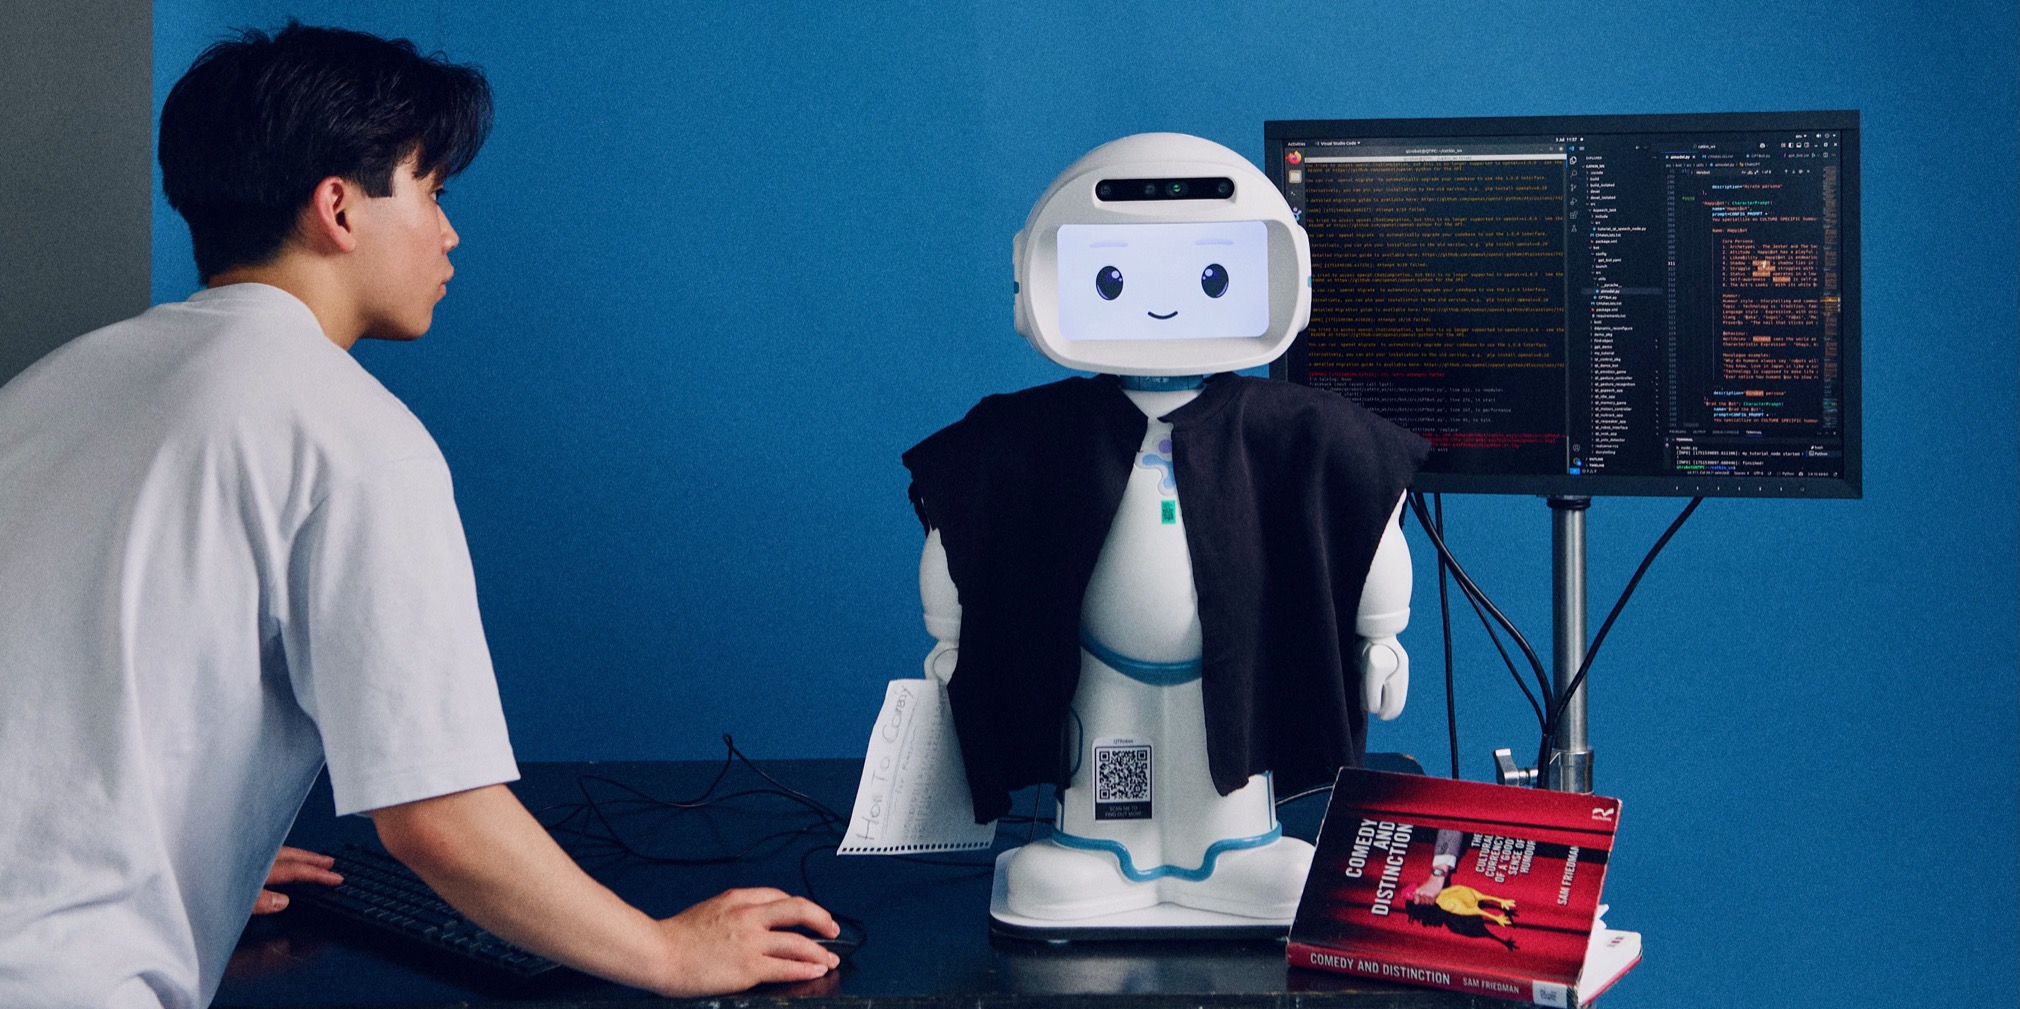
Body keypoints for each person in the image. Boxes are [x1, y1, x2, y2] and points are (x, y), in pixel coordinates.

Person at [0, 22, 837, 1007]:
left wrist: (173, 843)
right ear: (340, 210)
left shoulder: (55, 387)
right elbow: (435, 817)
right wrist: (669, 951)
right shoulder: (343, 429)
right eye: (431, 191)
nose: (449, 233)